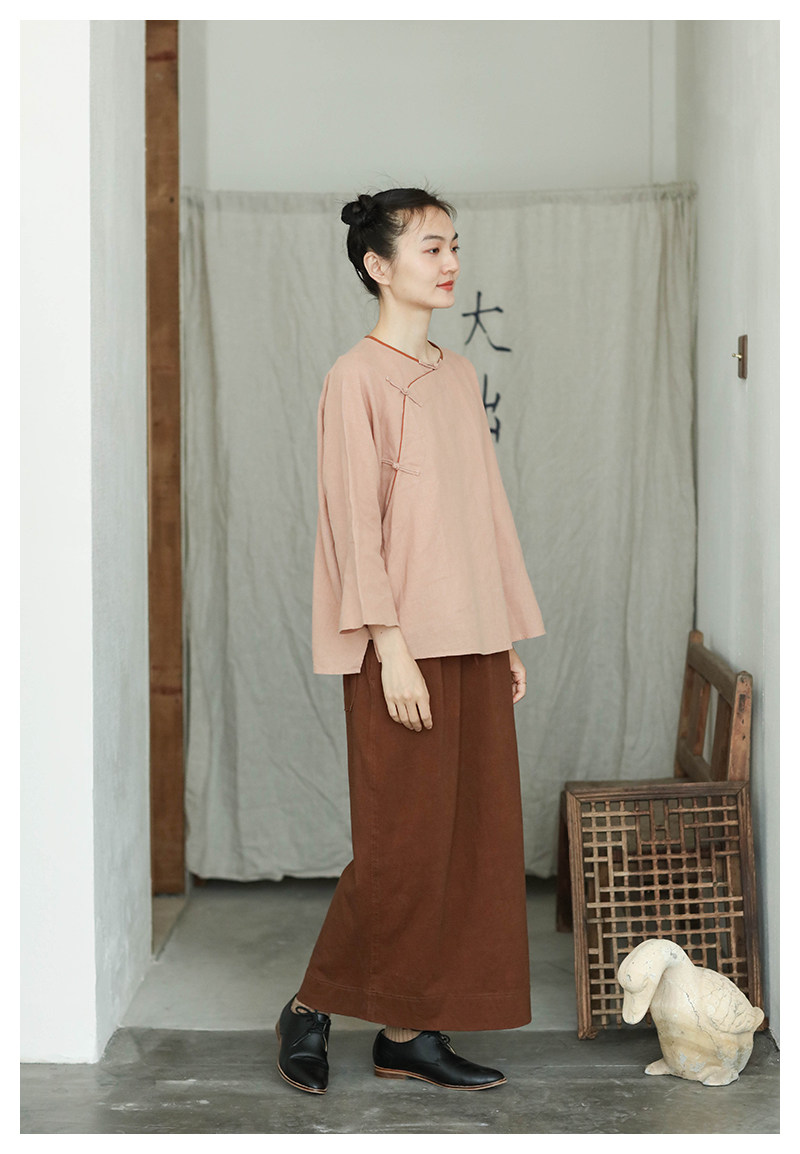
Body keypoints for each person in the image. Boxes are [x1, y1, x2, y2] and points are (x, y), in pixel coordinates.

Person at [275, 187, 546, 1094]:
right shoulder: (355, 377)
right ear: (377, 266)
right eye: (431, 248)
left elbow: (485, 513)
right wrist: (389, 646)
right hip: (400, 647)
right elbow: (354, 525)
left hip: (474, 637)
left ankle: (407, 1033)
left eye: (454, 245)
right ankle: (311, 1005)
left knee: (468, 839)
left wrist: (505, 633)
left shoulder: (458, 375)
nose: (451, 262)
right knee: (404, 843)